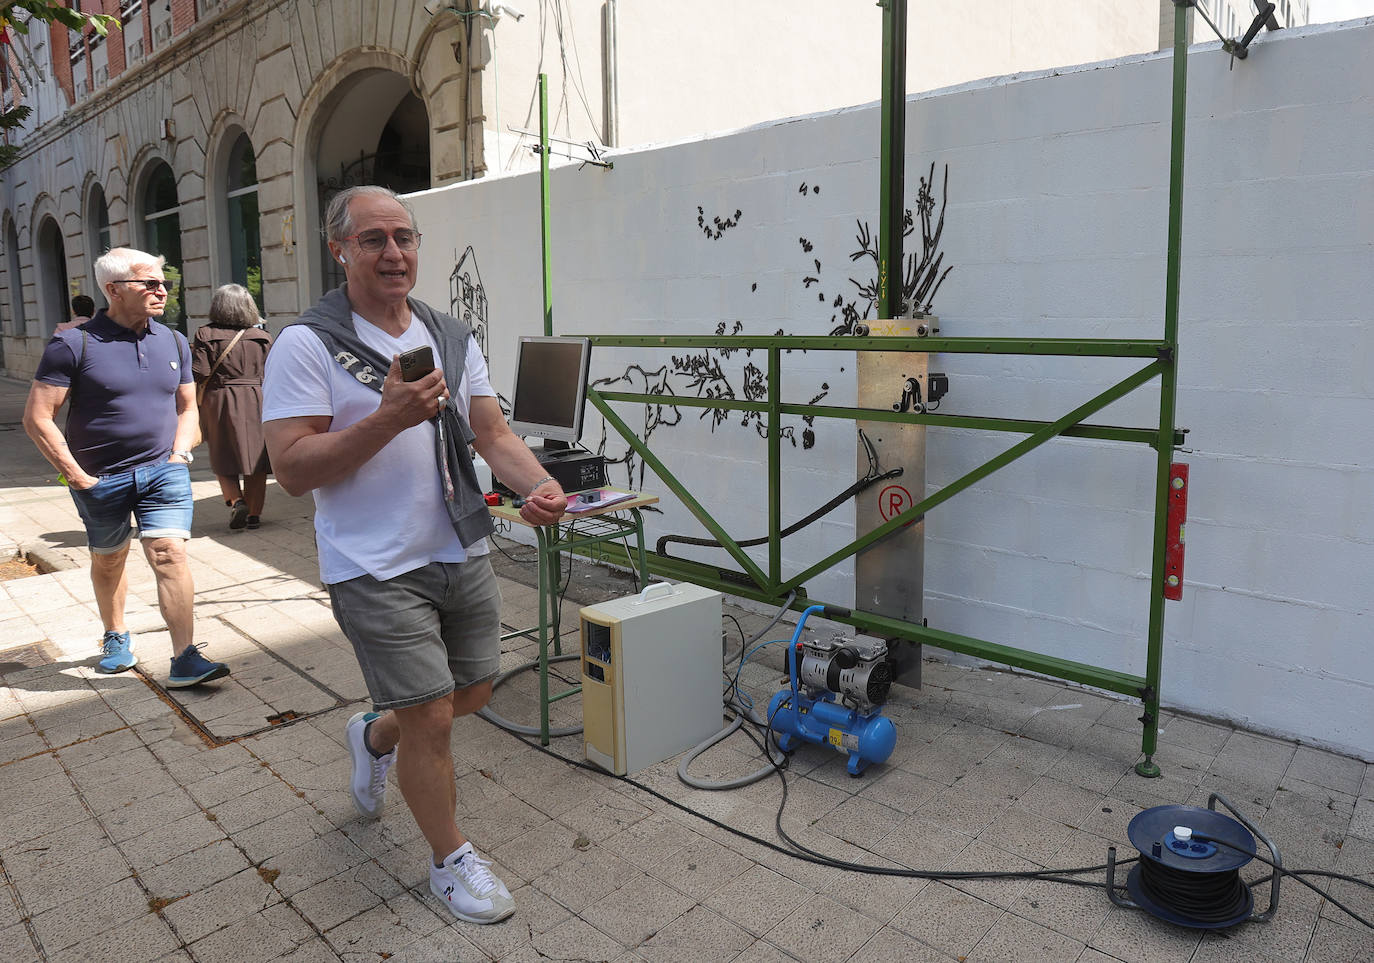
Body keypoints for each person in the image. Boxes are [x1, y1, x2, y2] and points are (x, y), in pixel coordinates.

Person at [262, 185, 567, 926]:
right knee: (431, 715)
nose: (394, 252)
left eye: (404, 236)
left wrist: (543, 484)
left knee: (477, 691)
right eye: (373, 239)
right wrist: (387, 417)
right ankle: (450, 859)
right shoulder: (308, 344)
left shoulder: (448, 335)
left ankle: (372, 735)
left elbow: (491, 434)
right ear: (339, 249)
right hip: (371, 563)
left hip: (457, 544)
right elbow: (294, 468)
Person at [22, 248, 231, 687]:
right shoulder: (72, 344)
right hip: (101, 479)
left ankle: (185, 657)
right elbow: (37, 417)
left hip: (164, 471)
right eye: (150, 283)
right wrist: (78, 477)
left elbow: (188, 405)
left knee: (169, 553)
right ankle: (115, 635)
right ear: (113, 290)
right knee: (110, 559)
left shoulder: (173, 340)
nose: (162, 291)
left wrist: (179, 455)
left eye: (164, 283)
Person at [192, 284, 273, 531]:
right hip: (257, 398)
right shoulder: (262, 337)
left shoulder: (205, 335)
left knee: (222, 453)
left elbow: (201, 372)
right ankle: (254, 516)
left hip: (219, 398)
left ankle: (236, 500)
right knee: (256, 457)